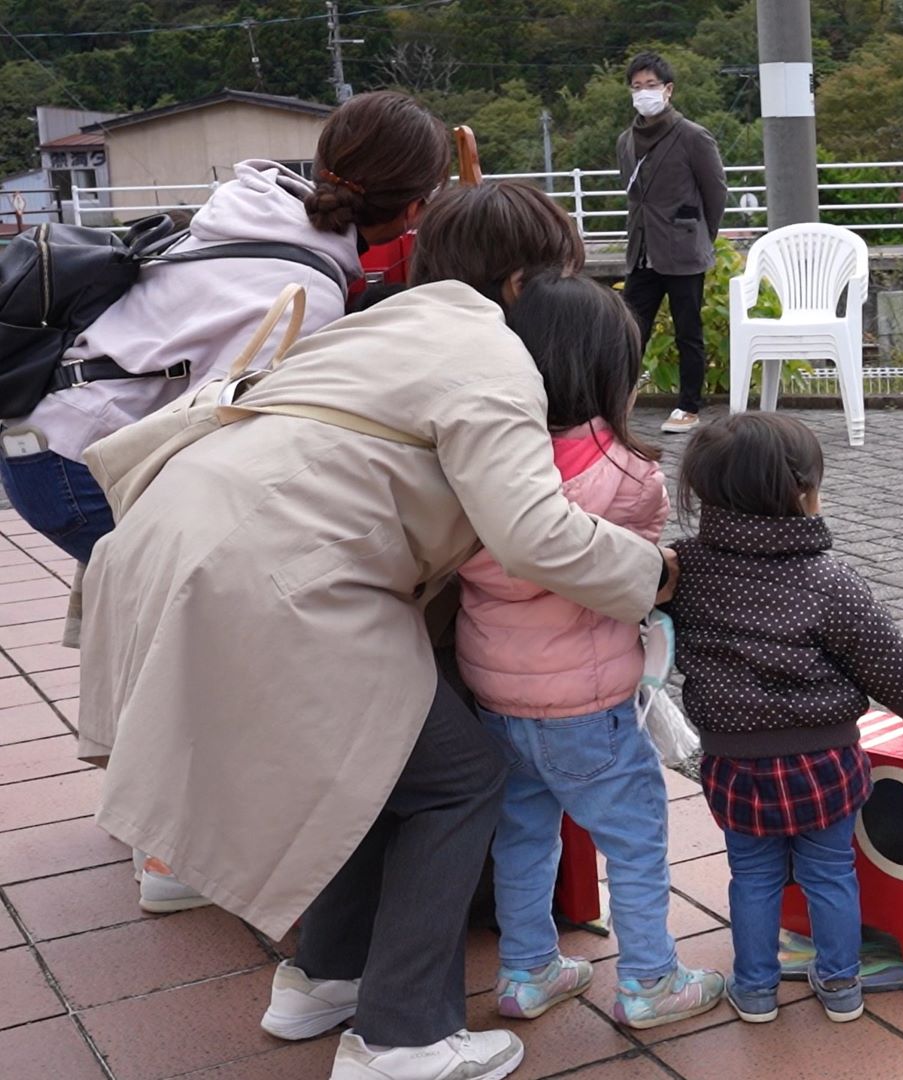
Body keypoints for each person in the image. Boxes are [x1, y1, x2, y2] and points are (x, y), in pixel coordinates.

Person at [78, 181, 663, 1080]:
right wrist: (658, 576)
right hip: (274, 572)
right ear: (521, 281)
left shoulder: (380, 321)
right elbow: (534, 531)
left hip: (184, 539)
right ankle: (403, 1038)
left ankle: (325, 976)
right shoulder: (490, 355)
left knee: (382, 766)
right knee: (457, 778)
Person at [0, 91, 449, 915]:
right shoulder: (301, 287)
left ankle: (148, 816)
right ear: (414, 210)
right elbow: (238, 428)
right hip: (78, 460)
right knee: (210, 636)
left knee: (175, 622)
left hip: (45, 438)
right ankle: (170, 854)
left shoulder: (265, 202)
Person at [454, 271, 725, 1031]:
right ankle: (648, 981)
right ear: (616, 371)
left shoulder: (484, 464)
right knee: (636, 842)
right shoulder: (629, 474)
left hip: (496, 700)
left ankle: (528, 971)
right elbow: (636, 580)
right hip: (589, 706)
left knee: (523, 837)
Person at [665, 412, 903, 1025]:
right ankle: (840, 986)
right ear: (802, 492)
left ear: (702, 493)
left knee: (751, 875)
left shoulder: (684, 570)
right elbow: (888, 665)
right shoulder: (829, 580)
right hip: (823, 762)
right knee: (830, 871)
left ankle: (754, 990)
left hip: (732, 763)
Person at [616, 50, 728, 435]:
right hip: (642, 250)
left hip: (683, 251)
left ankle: (688, 405)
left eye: (650, 86)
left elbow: (716, 193)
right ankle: (617, 401)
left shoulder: (693, 136)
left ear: (668, 90)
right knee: (630, 329)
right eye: (636, 87)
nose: (643, 93)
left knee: (688, 330)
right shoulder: (625, 141)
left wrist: (699, 236)